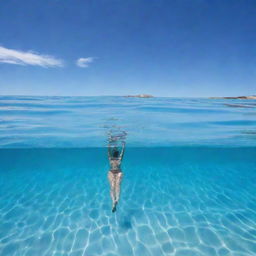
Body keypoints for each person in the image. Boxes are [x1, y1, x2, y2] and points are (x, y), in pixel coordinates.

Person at [107, 141, 125, 212]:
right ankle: (117, 199)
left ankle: (113, 202)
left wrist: (109, 145)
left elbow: (108, 152)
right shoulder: (119, 159)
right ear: (117, 155)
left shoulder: (111, 159)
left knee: (112, 187)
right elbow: (122, 153)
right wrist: (123, 146)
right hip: (118, 172)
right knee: (118, 186)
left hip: (111, 172)